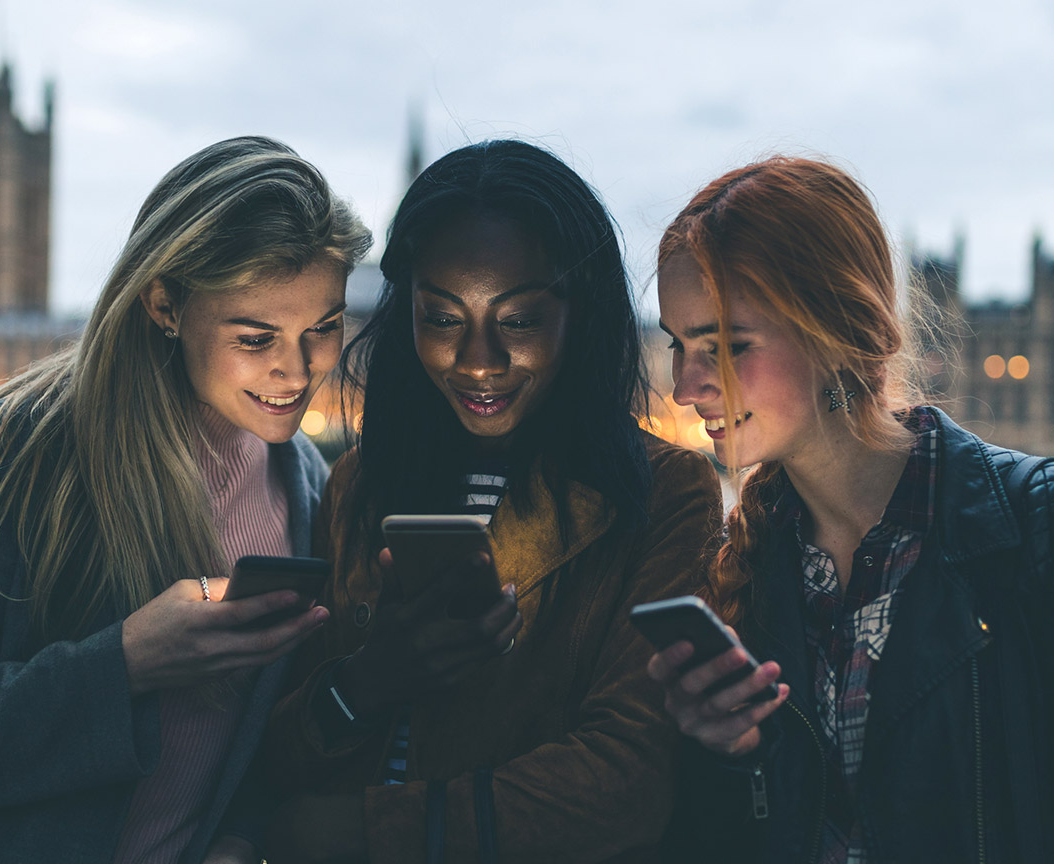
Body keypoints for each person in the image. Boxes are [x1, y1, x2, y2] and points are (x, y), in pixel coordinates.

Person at [0, 136, 372, 864]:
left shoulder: (304, 484)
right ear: (165, 303)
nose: (298, 371)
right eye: (257, 335)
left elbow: (253, 744)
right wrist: (126, 663)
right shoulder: (24, 448)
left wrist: (236, 837)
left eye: (323, 329)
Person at [647, 156, 1054, 863]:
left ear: (840, 330)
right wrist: (725, 755)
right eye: (678, 345)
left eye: (725, 346)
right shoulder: (742, 565)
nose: (688, 386)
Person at [210, 139, 722, 864]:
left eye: (516, 321)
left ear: (581, 314)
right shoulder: (358, 485)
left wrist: (354, 832)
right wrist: (368, 680)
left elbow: (626, 779)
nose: (478, 361)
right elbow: (278, 752)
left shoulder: (667, 492)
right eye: (443, 318)